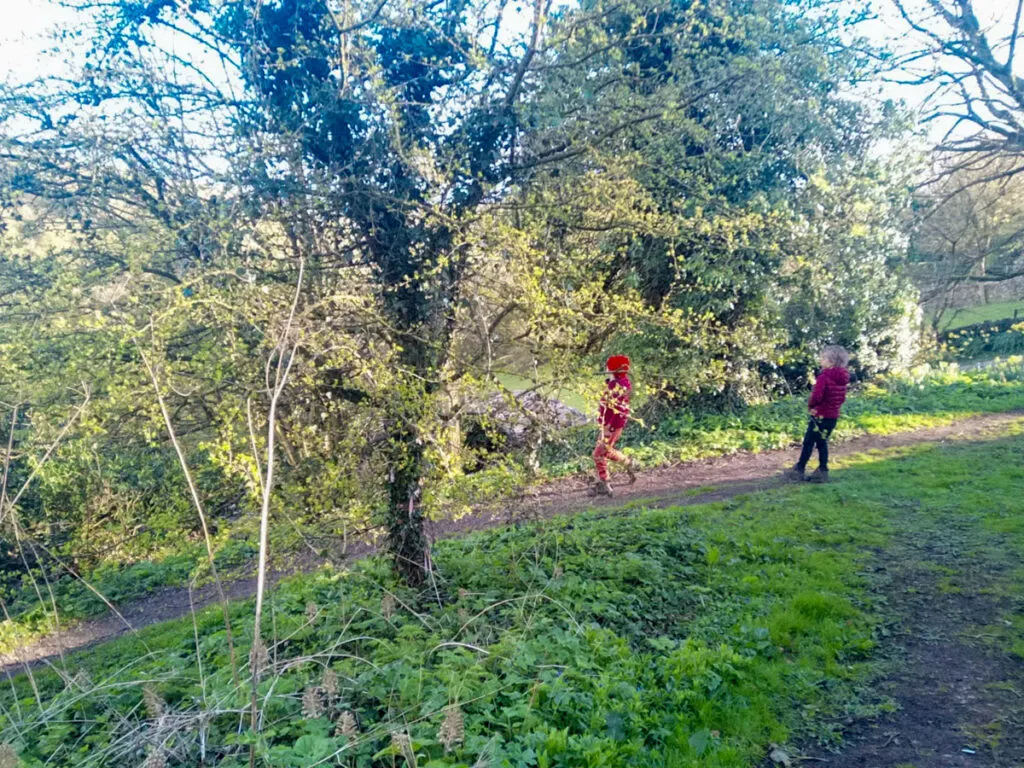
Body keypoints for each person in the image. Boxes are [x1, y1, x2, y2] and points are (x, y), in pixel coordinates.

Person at [785, 345, 850, 483]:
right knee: (822, 442)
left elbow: (817, 396)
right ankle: (822, 471)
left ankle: (799, 469)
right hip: (832, 416)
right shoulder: (843, 378)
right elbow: (842, 398)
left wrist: (812, 406)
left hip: (819, 415)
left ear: (831, 361)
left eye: (823, 358)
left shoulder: (824, 376)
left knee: (808, 442)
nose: (821, 361)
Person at [592, 354, 637, 496]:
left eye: (609, 366)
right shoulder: (621, 383)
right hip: (613, 426)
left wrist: (606, 428)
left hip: (610, 427)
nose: (606, 368)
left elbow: (613, 410)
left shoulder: (616, 388)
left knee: (598, 454)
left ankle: (605, 482)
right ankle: (627, 462)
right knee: (606, 451)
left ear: (614, 369)